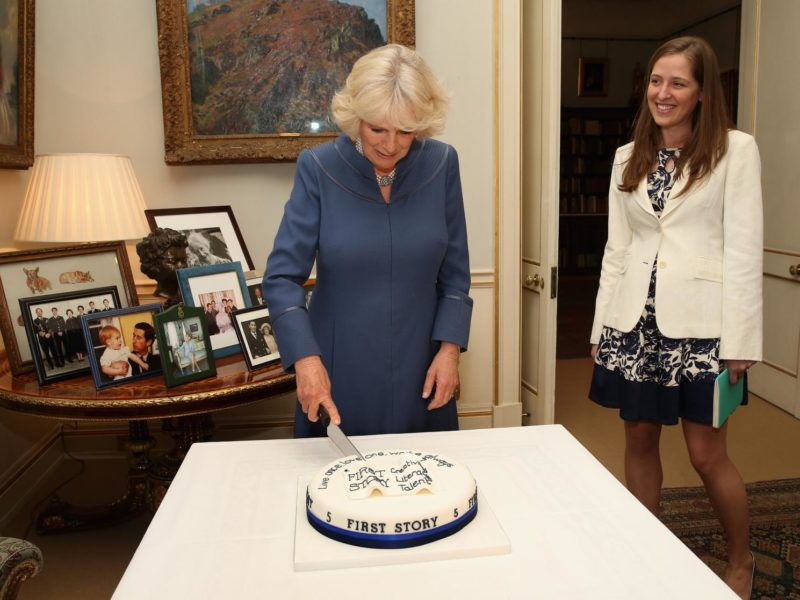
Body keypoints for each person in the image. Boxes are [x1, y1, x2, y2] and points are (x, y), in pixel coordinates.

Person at [587, 37, 761, 599]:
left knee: (707, 455)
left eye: (678, 83)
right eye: (657, 82)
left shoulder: (736, 151)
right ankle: (646, 553)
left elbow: (744, 251)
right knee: (639, 439)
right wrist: (600, 329)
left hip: (704, 331)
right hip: (633, 327)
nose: (663, 93)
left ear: (703, 92)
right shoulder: (626, 157)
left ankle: (741, 559)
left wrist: (741, 341)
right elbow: (618, 250)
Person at [263, 44, 472, 437]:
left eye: (405, 131)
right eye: (378, 128)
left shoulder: (442, 164)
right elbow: (281, 279)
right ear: (355, 117)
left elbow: (456, 276)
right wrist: (305, 361)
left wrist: (450, 351)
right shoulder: (319, 168)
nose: (390, 145)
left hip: (423, 368)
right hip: (337, 371)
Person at [136, 228, 189, 307]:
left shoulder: (190, 293)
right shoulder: (163, 299)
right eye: (173, 261)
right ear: (154, 264)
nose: (181, 266)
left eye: (184, 260)